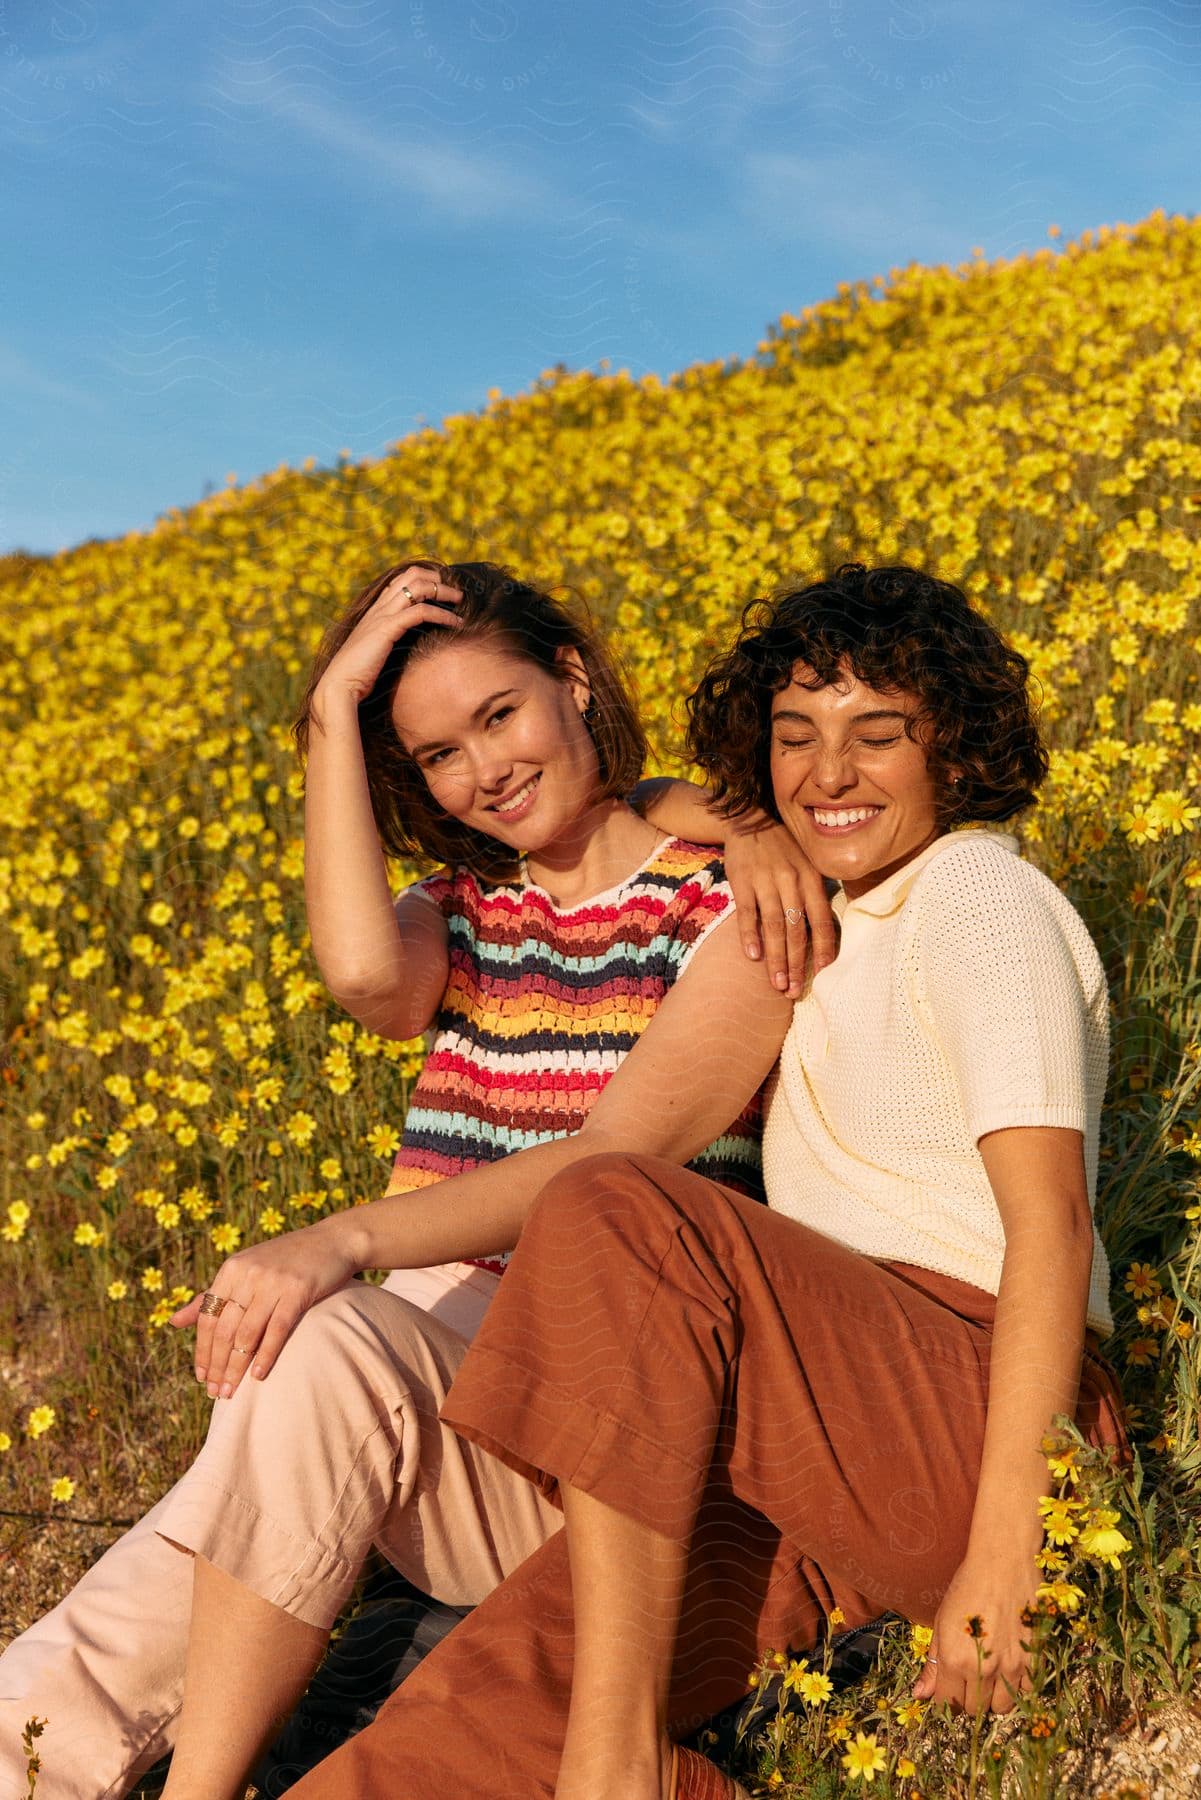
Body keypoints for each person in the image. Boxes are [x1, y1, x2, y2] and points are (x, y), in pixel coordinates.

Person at [283, 562, 1129, 1800]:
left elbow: (1049, 1228)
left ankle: (614, 1767)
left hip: (976, 1393)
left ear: (953, 746)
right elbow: (666, 803)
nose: (829, 774)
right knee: (450, 1726)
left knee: (612, 1201)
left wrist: (1010, 1551)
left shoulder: (975, 896)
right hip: (824, 1435)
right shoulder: (814, 916)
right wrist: (733, 822)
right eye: (795, 741)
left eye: (875, 737)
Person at [0, 557, 829, 1800]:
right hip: (433, 1368)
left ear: (573, 680)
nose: (483, 768)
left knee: (320, 1343)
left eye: (499, 715)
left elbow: (619, 1155)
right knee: (272, 1417)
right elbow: (358, 974)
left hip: (605, 1419)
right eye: (439, 753)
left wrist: (340, 1242)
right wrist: (330, 714)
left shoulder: (725, 903)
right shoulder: (469, 909)